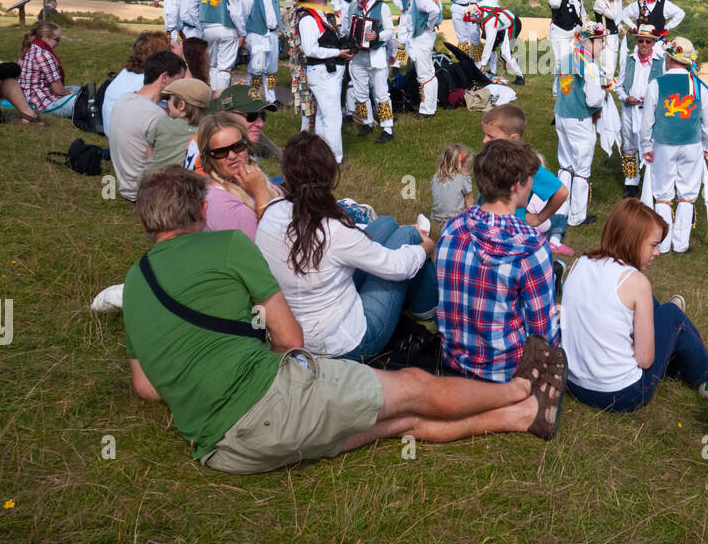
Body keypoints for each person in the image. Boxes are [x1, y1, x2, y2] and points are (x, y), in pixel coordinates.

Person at [123, 166, 564, 475]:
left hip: (224, 452)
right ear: (200, 211)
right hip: (275, 404)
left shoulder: (136, 280)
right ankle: (519, 389)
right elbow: (290, 337)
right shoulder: (229, 247)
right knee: (413, 386)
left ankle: (522, 416)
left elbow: (146, 388)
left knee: (399, 423)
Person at [255, 132, 438, 359]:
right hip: (344, 343)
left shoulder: (271, 213)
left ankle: (422, 300)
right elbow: (397, 267)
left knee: (386, 223)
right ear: (331, 175)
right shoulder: (333, 229)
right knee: (408, 234)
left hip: (295, 325)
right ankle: (427, 310)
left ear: (286, 176)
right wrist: (425, 247)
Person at [561, 198, 708, 412]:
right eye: (653, 245)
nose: (657, 253)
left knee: (652, 305)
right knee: (671, 314)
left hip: (573, 383)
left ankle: (680, 352)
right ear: (633, 239)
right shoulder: (636, 281)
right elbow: (645, 360)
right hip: (621, 394)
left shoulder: (581, 263)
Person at [436, 138, 562, 382]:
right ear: (517, 186)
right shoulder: (532, 246)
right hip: (507, 372)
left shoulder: (452, 229)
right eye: (529, 179)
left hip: (455, 361)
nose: (533, 184)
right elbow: (542, 334)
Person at [640, 36, 708, 254]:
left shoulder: (656, 84)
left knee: (663, 194)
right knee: (687, 193)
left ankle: (662, 244)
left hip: (664, 143)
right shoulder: (698, 85)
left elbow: (647, 122)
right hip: (692, 143)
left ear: (668, 58)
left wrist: (646, 147)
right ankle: (681, 243)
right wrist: (706, 145)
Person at [481, 103, 571, 256]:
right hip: (487, 224)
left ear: (513, 138)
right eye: (484, 134)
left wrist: (538, 218)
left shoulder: (525, 165)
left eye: (491, 136)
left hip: (514, 233)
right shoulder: (488, 158)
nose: (484, 140)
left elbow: (561, 192)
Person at [108, 49, 186, 202]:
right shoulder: (156, 116)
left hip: (127, 185)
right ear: (165, 77)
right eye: (180, 80)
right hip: (146, 192)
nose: (182, 87)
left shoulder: (124, 99)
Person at [290, 0, 352, 164]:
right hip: (322, 72)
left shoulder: (320, 17)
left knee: (325, 115)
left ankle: (322, 155)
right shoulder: (308, 20)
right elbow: (310, 50)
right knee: (332, 117)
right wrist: (337, 52)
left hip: (327, 72)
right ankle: (334, 158)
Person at [196, 112, 282, 241]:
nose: (231, 156)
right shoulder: (221, 204)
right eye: (220, 152)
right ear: (208, 159)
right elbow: (271, 243)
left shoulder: (255, 179)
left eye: (237, 146)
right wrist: (260, 191)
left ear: (247, 145)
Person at [553, 23, 606, 229]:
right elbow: (593, 100)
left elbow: (557, 89)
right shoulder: (590, 65)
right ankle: (577, 216)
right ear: (590, 42)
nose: (602, 46)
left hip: (562, 114)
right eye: (600, 42)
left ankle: (560, 209)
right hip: (580, 118)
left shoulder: (566, 59)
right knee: (582, 168)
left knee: (565, 163)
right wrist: (604, 93)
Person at [342, 0, 395, 144]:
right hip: (358, 56)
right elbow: (345, 28)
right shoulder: (351, 8)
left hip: (377, 54)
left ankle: (388, 128)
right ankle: (367, 122)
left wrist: (377, 35)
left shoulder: (382, 7)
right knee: (360, 92)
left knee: (381, 93)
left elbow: (390, 31)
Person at [616, 24, 664, 191]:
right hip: (629, 111)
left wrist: (652, 100)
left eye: (647, 41)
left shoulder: (660, 63)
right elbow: (619, 86)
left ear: (652, 43)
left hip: (649, 113)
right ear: (636, 42)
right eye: (641, 41)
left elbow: (664, 89)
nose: (644, 44)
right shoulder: (628, 60)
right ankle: (631, 182)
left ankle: (652, 183)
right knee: (629, 145)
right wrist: (625, 97)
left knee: (651, 144)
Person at [102, 31, 175, 134]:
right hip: (135, 142)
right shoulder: (150, 82)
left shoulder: (126, 73)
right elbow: (179, 109)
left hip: (114, 140)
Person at [396, 0, 442, 119]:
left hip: (422, 38)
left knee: (425, 74)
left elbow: (434, 10)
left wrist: (428, 25)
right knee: (425, 72)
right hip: (420, 37)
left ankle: (427, 110)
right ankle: (429, 105)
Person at [197, 0, 246, 92]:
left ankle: (212, 97)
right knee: (224, 68)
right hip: (226, 28)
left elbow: (192, 9)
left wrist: (201, 26)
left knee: (212, 66)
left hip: (207, 29)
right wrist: (242, 32)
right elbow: (236, 12)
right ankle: (222, 101)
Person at [143, 77, 211, 175]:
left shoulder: (165, 122)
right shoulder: (206, 130)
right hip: (183, 183)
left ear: (181, 105)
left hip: (151, 180)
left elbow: (149, 152)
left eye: (169, 99)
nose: (167, 102)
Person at [17, 20, 80, 118]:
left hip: (28, 95)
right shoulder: (44, 55)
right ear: (46, 38)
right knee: (83, 101)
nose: (59, 43)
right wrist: (68, 92)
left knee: (79, 90)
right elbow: (58, 90)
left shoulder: (30, 47)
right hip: (41, 102)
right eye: (57, 39)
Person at [618, 0, 684, 53]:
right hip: (641, 45)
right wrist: (635, 28)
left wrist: (667, 27)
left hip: (658, 45)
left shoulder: (665, 4)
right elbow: (623, 14)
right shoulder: (638, 4)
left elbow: (680, 13)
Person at [467, 0, 525, 84]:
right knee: (492, 49)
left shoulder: (490, 23)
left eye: (473, 21)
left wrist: (483, 65)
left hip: (513, 24)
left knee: (505, 53)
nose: (473, 23)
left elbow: (489, 44)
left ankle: (520, 77)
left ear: (478, 16)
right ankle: (493, 73)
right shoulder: (480, 7)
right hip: (501, 25)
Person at [431, 143, 475, 237]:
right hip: (454, 221)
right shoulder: (464, 177)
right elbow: (469, 200)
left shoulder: (436, 176)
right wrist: (471, 220)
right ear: (461, 164)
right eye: (467, 166)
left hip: (435, 219)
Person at [547, 0, 584, 77]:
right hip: (559, 31)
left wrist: (579, 28)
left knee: (571, 60)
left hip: (572, 32)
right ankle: (556, 89)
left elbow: (580, 14)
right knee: (560, 61)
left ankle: (568, 87)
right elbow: (555, 4)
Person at [591, 0, 623, 79]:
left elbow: (616, 19)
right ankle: (603, 86)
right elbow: (612, 16)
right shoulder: (599, 2)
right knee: (606, 63)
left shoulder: (612, 2)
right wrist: (617, 2)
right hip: (605, 37)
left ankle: (606, 86)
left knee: (612, 62)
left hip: (613, 35)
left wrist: (620, 28)